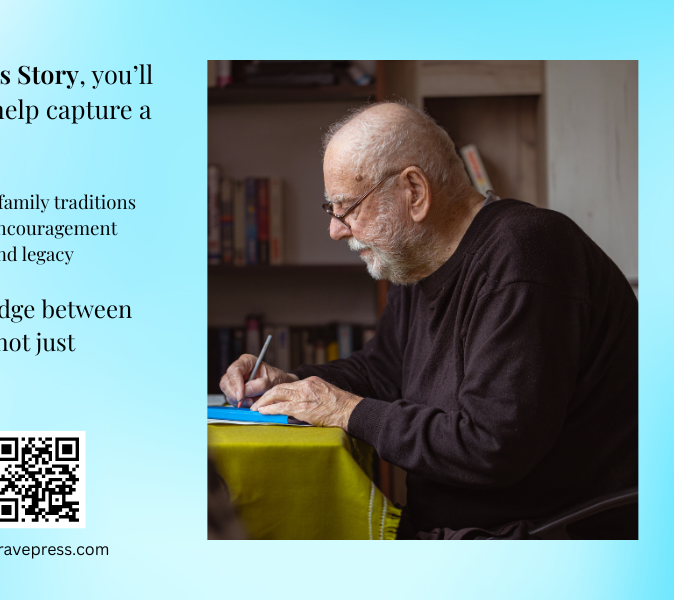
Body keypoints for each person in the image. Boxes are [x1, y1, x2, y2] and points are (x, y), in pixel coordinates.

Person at [219, 102, 637, 539]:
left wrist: (342, 409)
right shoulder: (417, 262)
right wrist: (290, 384)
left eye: (347, 209)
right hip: (455, 529)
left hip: (540, 539)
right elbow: (381, 371)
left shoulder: (528, 254)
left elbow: (491, 446)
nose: (337, 231)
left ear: (414, 191)